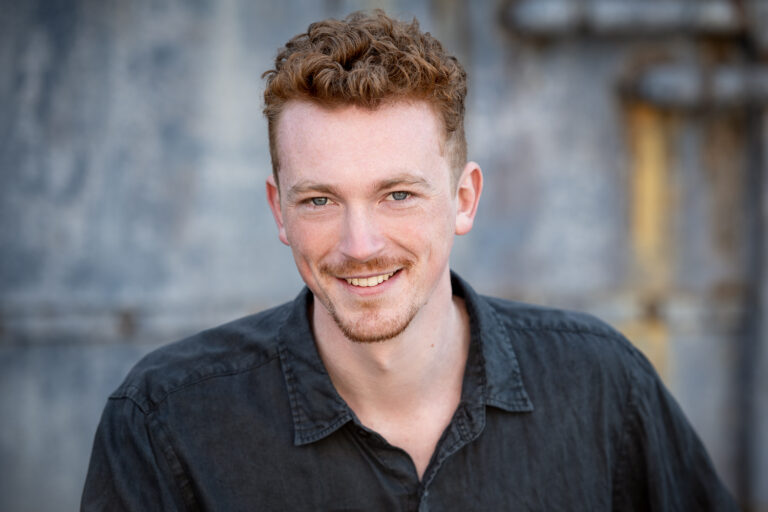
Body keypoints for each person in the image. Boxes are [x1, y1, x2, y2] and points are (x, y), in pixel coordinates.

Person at [82, 10, 738, 511]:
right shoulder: (166, 420)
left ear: (464, 197)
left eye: (397, 195)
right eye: (319, 200)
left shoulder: (602, 386)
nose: (360, 245)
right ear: (278, 210)